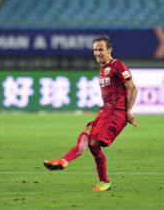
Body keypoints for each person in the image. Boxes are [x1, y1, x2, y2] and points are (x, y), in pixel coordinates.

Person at [43, 36, 138, 191]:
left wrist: (127, 111)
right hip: (105, 110)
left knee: (93, 143)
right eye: (95, 50)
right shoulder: (102, 68)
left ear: (109, 50)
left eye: (101, 49)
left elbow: (133, 88)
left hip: (115, 112)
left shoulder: (118, 65)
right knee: (87, 135)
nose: (97, 53)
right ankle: (64, 161)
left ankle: (103, 181)